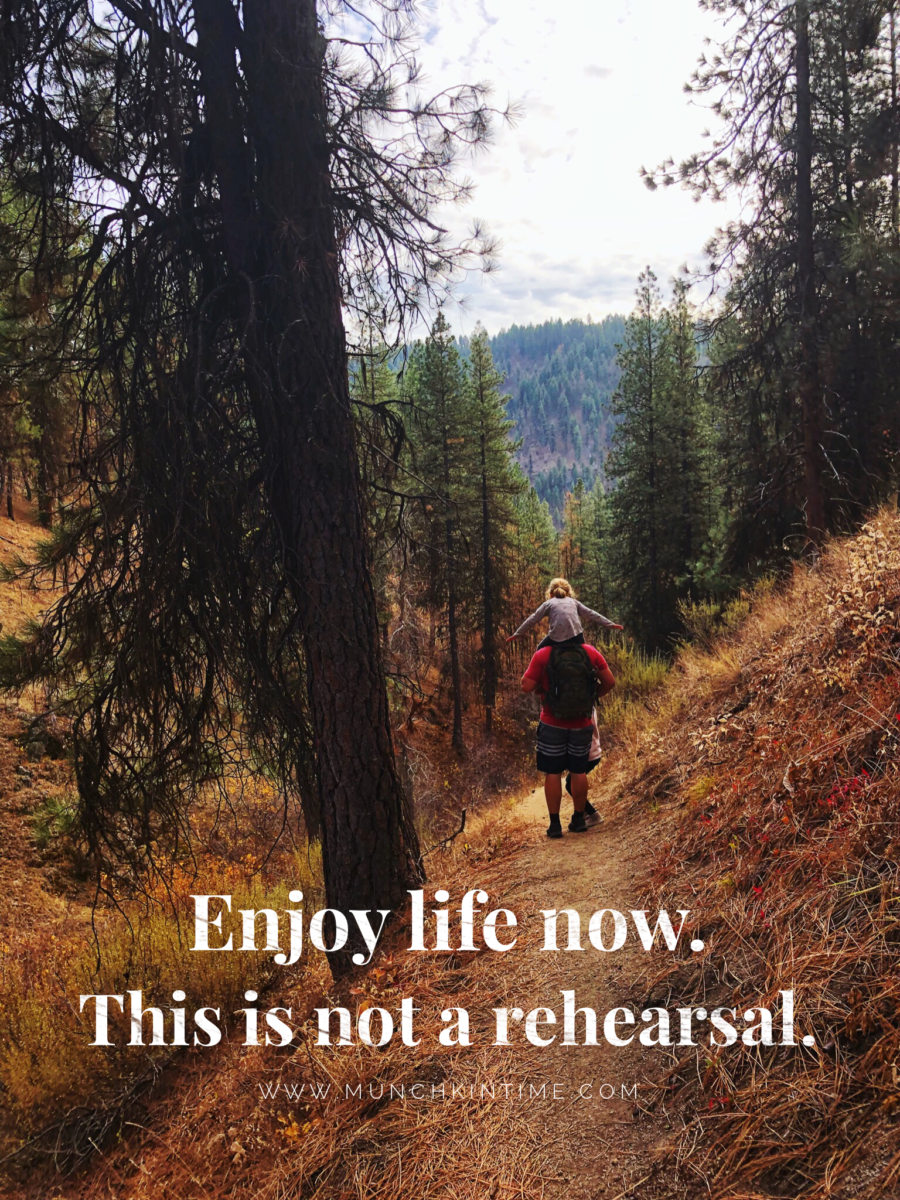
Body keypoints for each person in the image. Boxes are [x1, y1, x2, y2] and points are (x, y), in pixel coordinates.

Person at [521, 639, 615, 838]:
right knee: (578, 771)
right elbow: (610, 682)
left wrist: (541, 684)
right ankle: (579, 819)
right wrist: (591, 698)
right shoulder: (590, 652)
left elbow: (525, 685)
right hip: (582, 725)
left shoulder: (543, 654)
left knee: (553, 772)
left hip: (552, 723)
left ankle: (555, 825)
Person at [507, 577, 622, 649]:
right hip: (576, 637)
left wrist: (517, 634)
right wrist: (610, 624)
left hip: (555, 639)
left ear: (550, 593)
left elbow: (533, 619)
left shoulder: (548, 603)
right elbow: (591, 614)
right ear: (568, 592)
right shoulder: (574, 602)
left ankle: (540, 684)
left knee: (539, 650)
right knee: (587, 657)